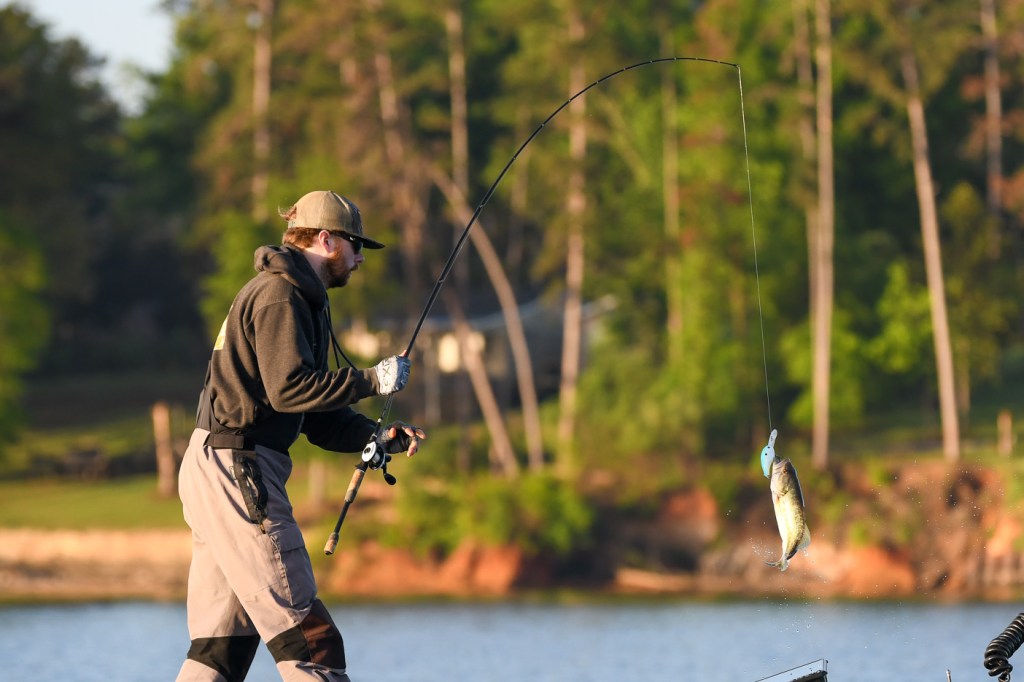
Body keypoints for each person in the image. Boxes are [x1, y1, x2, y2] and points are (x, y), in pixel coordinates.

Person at [176, 190, 426, 681]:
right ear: (327, 240)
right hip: (239, 470)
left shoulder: (298, 298)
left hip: (219, 466)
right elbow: (290, 389)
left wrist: (375, 436)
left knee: (220, 651)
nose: (360, 259)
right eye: (356, 245)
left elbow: (312, 412)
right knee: (313, 641)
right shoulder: (280, 295)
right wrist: (374, 379)